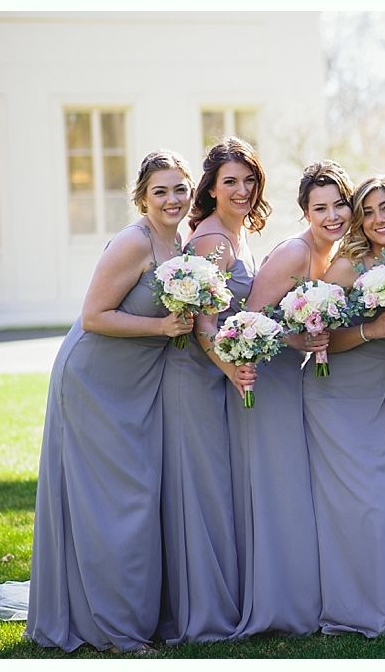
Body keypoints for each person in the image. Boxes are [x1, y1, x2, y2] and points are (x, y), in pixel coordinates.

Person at [24, 150, 195, 654]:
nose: (172, 200)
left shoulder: (180, 240)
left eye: (180, 189)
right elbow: (94, 315)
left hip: (135, 385)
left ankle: (131, 612)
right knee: (113, 502)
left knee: (136, 496)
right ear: (141, 197)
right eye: (160, 191)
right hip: (94, 380)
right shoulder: (133, 242)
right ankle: (110, 626)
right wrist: (163, 327)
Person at [228, 160, 354, 638]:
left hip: (295, 381)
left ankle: (298, 595)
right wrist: (299, 341)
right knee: (277, 488)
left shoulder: (333, 255)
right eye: (320, 207)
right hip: (269, 381)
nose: (332, 215)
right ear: (305, 211)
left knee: (292, 489)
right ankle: (276, 605)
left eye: (339, 204)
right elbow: (247, 324)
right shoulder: (294, 254)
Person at [158, 137, 263, 644]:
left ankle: (224, 593)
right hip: (197, 377)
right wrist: (233, 371)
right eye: (230, 182)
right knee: (201, 492)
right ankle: (202, 608)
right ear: (212, 188)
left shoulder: (237, 235)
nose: (241, 190)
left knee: (218, 490)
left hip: (219, 372)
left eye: (248, 180)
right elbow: (202, 326)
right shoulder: (211, 242)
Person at [303, 176, 385, 637]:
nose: (377, 220)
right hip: (335, 395)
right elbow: (320, 340)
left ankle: (381, 597)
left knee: (383, 499)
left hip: (379, 395)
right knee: (355, 504)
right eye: (367, 212)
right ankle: (352, 611)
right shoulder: (349, 265)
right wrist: (371, 330)